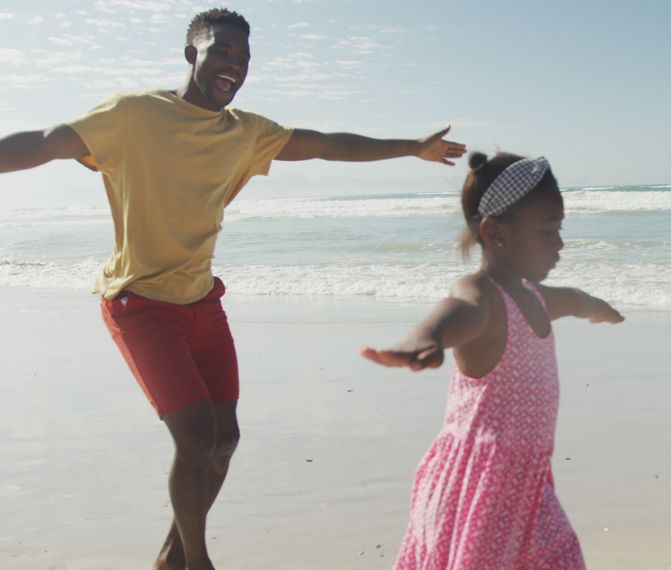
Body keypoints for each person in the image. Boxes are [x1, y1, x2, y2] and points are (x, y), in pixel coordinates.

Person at [0, 8, 465, 570]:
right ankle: (198, 564)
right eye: (221, 51)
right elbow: (47, 142)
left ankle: (173, 558)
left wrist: (411, 147)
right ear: (191, 53)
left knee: (224, 438)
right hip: (139, 304)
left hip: (201, 302)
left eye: (243, 58)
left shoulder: (244, 132)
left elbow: (325, 144)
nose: (233, 66)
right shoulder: (134, 114)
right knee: (196, 439)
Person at [362, 151, 624, 569]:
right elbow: (456, 310)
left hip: (527, 487)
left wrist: (600, 308)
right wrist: (425, 339)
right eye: (547, 231)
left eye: (560, 228)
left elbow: (575, 299)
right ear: (496, 234)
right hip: (481, 491)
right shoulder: (485, 295)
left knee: (561, 558)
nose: (559, 243)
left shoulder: (534, 297)